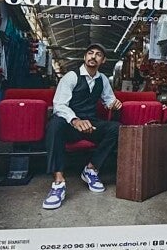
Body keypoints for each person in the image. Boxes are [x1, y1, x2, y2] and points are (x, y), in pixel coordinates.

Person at [42, 43, 120, 210]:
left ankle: (91, 169)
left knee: (116, 128)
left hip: (90, 123)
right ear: (85, 57)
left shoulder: (103, 79)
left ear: (103, 60)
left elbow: (109, 100)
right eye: (90, 53)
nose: (93, 56)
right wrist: (75, 121)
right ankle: (58, 182)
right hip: (70, 124)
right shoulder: (71, 76)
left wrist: (114, 104)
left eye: (98, 54)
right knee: (54, 124)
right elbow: (59, 105)